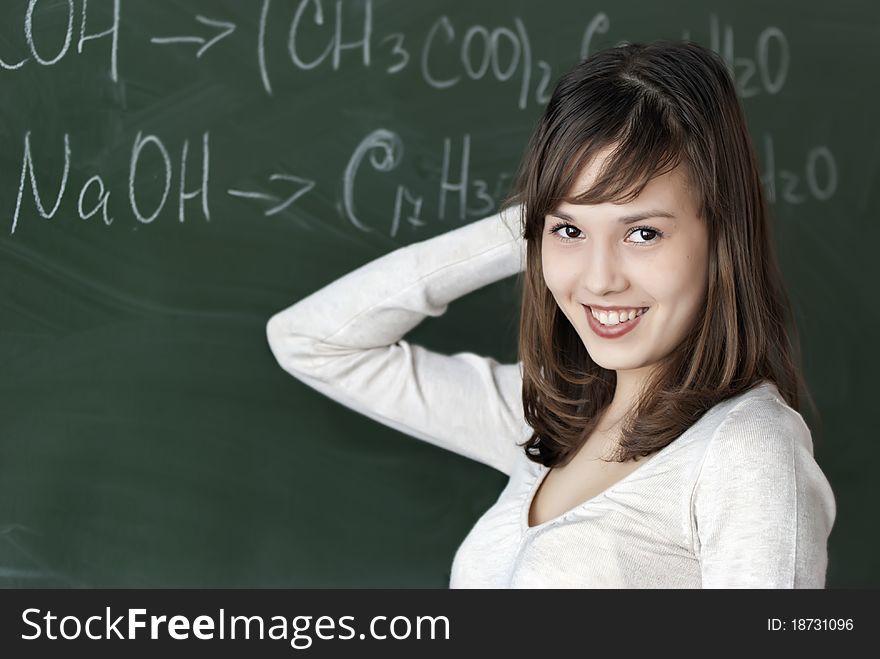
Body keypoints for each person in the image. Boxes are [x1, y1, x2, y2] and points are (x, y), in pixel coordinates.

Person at [265, 39, 836, 588]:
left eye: (642, 232)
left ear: (721, 239)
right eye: (569, 231)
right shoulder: (542, 417)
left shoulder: (747, 451)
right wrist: (532, 221)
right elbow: (310, 341)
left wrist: (566, 213)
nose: (598, 279)